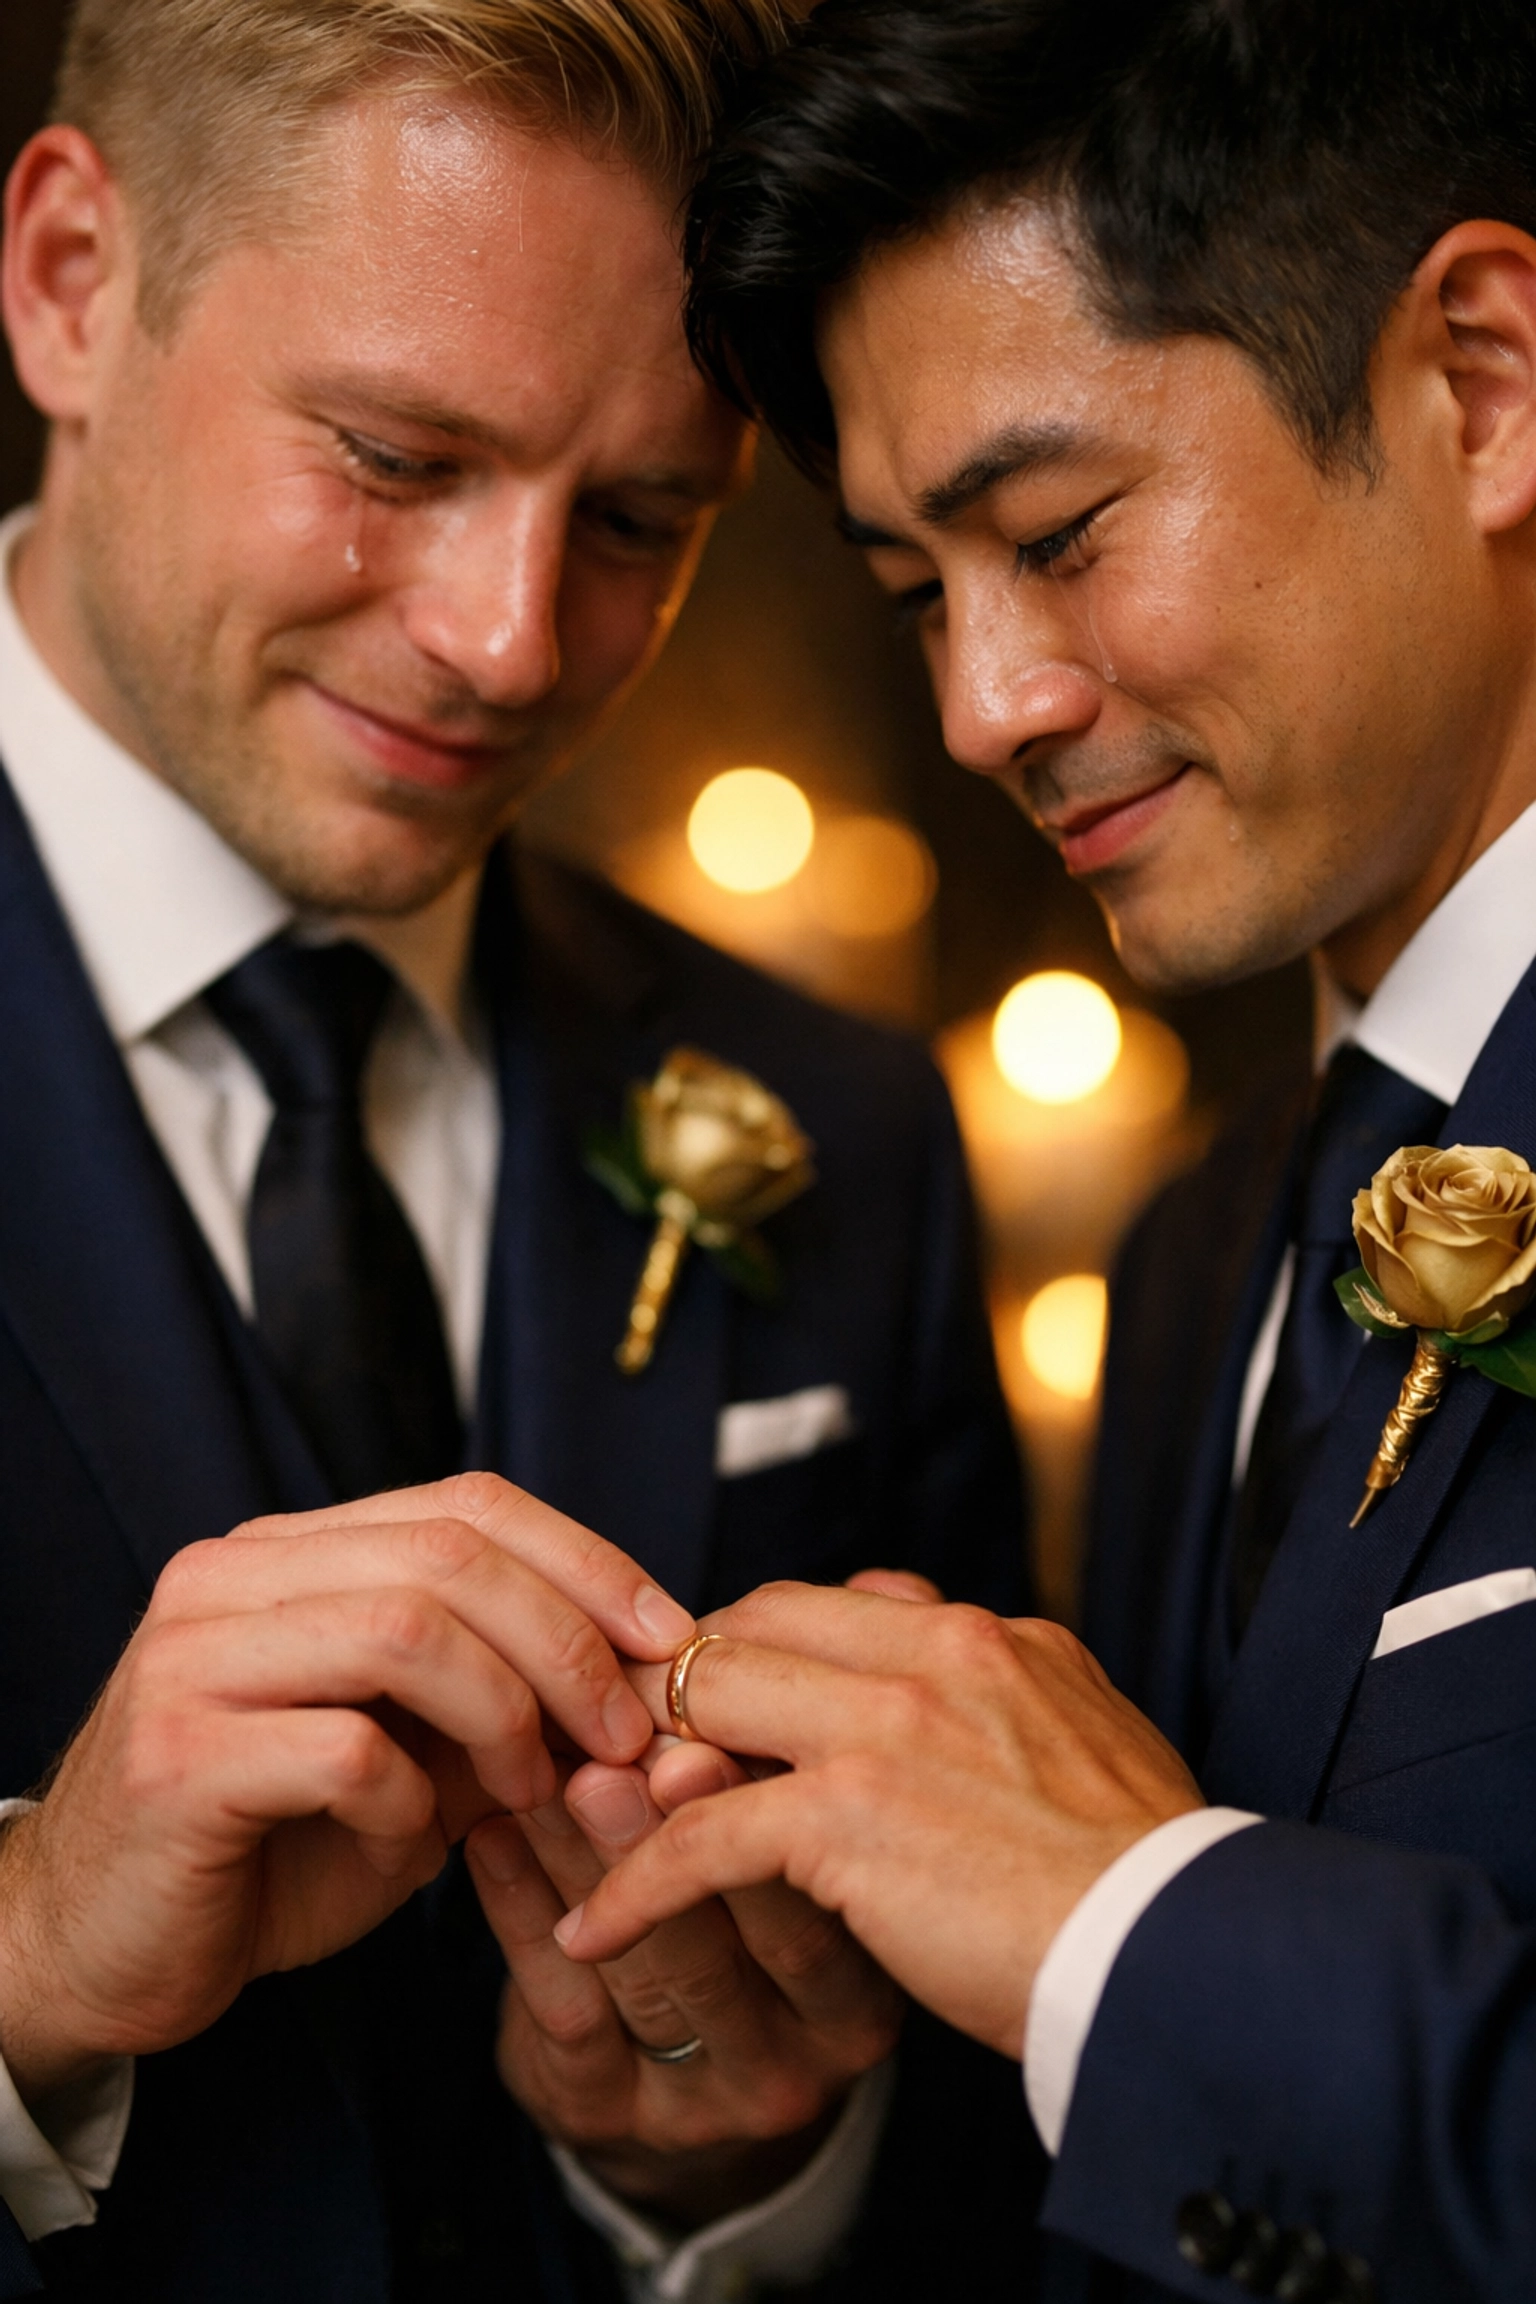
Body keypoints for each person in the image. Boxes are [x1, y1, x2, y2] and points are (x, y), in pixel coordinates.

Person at [0, 3, 1030, 2297]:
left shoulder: (850, 1130)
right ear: (71, 281)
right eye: (396, 455)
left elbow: (987, 2147)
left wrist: (739, 2181)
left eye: (642, 518)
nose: (506, 643)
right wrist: (24, 1953)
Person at [557, 2, 1536, 2296]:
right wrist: (749, 2123)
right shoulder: (1203, 1250)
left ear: (1484, 383)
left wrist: (1125, 1911)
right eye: (919, 595)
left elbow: (1132, 1936)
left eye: (1059, 533)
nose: (985, 707)